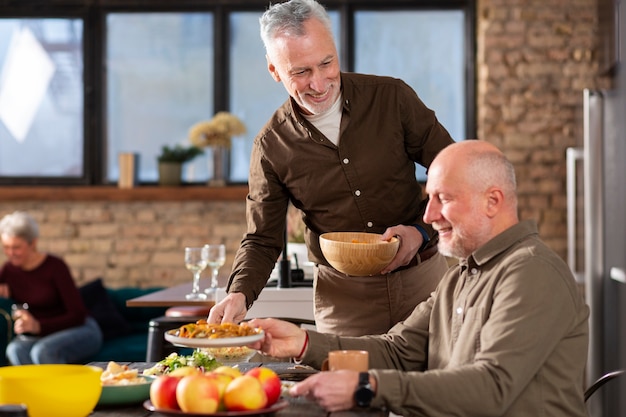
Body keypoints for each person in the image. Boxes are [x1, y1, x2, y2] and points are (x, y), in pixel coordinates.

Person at [247, 140, 590, 417]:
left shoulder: (530, 273)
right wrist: (304, 343)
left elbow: (491, 388)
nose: (428, 215)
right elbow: (397, 351)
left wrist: (369, 387)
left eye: (444, 198)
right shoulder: (459, 278)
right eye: (429, 198)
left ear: (493, 201)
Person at [209, 0, 455, 336]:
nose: (320, 83)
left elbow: (455, 172)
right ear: (274, 70)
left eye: (326, 63)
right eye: (300, 72)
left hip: (425, 284)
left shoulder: (392, 98)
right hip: (344, 302)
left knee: (439, 385)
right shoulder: (270, 146)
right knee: (343, 387)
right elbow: (262, 239)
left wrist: (421, 231)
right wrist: (238, 294)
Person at [0, 211, 102, 364]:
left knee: (43, 351)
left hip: (81, 329)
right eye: (6, 247)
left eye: (16, 247)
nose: (10, 253)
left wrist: (38, 326)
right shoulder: (8, 270)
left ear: (33, 243)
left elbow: (78, 315)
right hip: (42, 334)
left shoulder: (55, 267)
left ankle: (58, 389)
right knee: (15, 349)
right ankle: (32, 389)